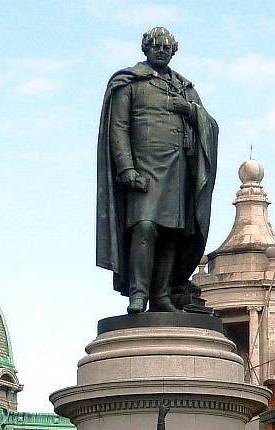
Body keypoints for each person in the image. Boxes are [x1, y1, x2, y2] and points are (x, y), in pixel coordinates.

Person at [96, 27, 218, 313]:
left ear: (173, 51)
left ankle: (161, 295)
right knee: (145, 227)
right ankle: (138, 294)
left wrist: (190, 110)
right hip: (144, 170)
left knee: (171, 232)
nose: (160, 51)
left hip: (178, 170)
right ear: (145, 49)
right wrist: (126, 167)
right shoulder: (130, 82)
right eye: (155, 46)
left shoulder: (185, 88)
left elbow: (210, 125)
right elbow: (119, 127)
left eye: (166, 47)